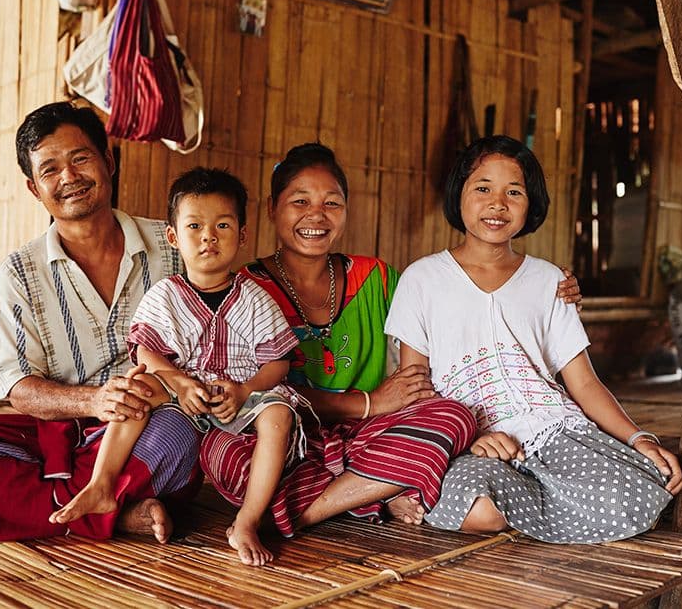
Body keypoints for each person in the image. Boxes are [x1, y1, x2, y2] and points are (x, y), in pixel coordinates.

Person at [199, 143, 583, 536]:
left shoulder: (379, 280)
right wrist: (368, 402)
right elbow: (247, 393)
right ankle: (375, 492)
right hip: (281, 438)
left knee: (454, 417)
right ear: (271, 208)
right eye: (300, 201)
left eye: (332, 203)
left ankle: (312, 510)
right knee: (220, 452)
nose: (316, 216)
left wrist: (551, 286)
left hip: (369, 438)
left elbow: (457, 303)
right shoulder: (243, 289)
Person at [0, 102, 202, 544]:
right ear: (34, 188)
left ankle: (66, 507)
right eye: (50, 169)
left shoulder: (174, 246)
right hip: (53, 436)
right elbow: (17, 387)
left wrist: (153, 392)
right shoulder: (20, 271)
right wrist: (95, 402)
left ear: (109, 161)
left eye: (81, 158)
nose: (69, 177)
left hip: (148, 429)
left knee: (181, 435)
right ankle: (112, 515)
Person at [385, 135, 682, 543]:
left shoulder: (550, 281)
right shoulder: (421, 279)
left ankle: (536, 504)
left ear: (532, 204)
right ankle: (546, 505)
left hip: (551, 432)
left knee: (645, 486)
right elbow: (414, 386)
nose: (498, 204)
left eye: (514, 192)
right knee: (483, 511)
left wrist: (638, 438)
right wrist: (471, 438)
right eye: (483, 188)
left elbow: (582, 382)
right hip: (469, 442)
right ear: (459, 195)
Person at [47, 167, 303, 566]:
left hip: (239, 397)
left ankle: (247, 521)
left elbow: (278, 364)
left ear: (243, 235)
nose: (208, 237)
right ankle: (101, 484)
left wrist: (244, 390)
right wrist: (180, 382)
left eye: (222, 225)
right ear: (173, 236)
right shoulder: (165, 295)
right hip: (182, 397)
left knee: (278, 415)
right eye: (195, 226)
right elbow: (145, 352)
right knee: (137, 384)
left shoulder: (255, 298)